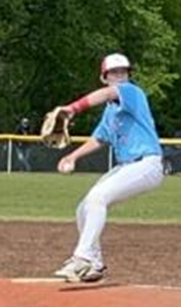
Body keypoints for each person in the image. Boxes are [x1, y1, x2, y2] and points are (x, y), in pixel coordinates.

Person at [54, 53, 164, 283]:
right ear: (104, 77)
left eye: (123, 71)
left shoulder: (132, 92)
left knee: (97, 199)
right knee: (84, 208)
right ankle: (94, 265)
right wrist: (72, 156)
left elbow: (107, 93)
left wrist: (73, 108)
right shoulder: (111, 112)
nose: (119, 76)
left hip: (147, 163)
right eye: (114, 73)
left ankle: (82, 258)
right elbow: (100, 138)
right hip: (128, 166)